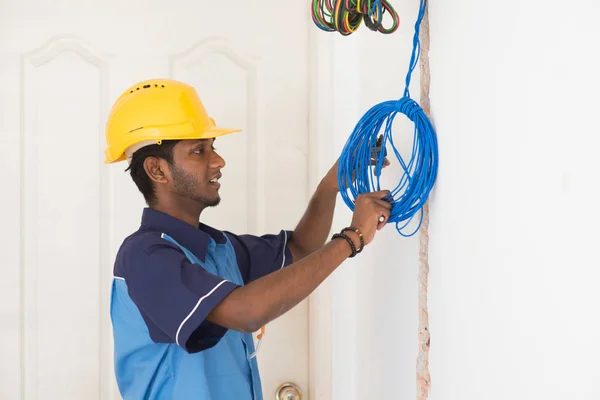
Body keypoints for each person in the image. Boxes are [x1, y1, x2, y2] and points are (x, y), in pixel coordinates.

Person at [104, 78, 391, 400]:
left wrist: (331, 185)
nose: (218, 161)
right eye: (199, 151)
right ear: (157, 170)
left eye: (213, 147)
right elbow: (245, 313)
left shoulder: (217, 248)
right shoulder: (145, 257)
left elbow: (300, 248)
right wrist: (352, 238)